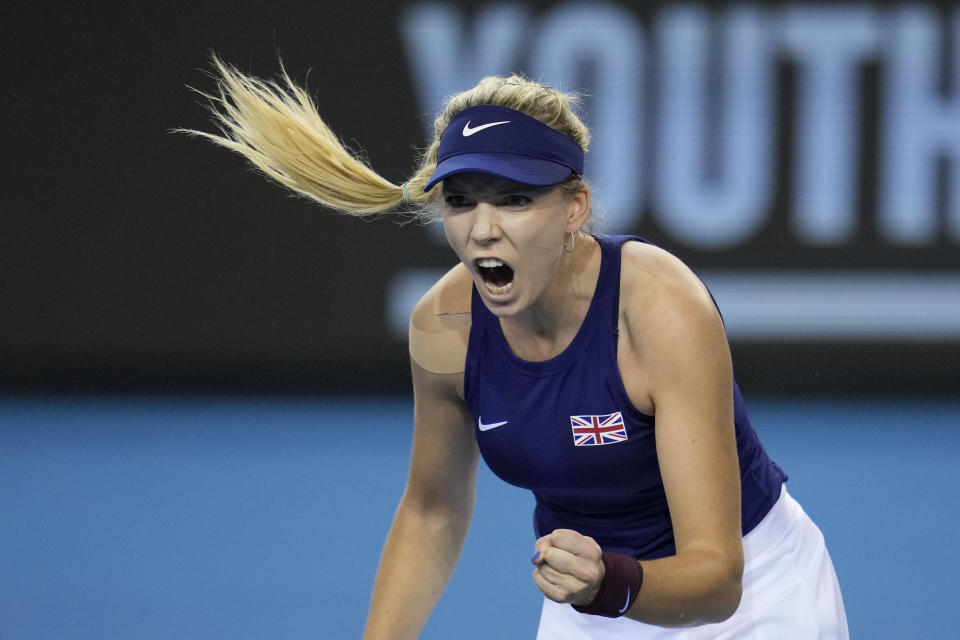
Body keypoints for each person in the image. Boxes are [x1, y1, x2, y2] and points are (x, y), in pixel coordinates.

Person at [183, 56, 849, 639]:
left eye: (515, 198)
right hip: (589, 601)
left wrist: (606, 583)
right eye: (463, 200)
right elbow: (432, 509)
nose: (483, 230)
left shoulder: (659, 312)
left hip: (756, 597)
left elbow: (716, 577)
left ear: (574, 207)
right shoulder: (443, 328)